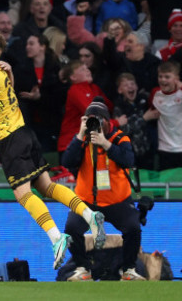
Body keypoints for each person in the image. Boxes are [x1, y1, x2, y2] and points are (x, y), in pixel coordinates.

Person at [0, 30, 107, 270]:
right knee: (47, 186)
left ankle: (56, 237)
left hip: (11, 140)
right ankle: (89, 215)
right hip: (25, 133)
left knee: (23, 195)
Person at [62, 97, 145, 281]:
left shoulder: (119, 138)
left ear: (107, 121)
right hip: (86, 200)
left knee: (133, 228)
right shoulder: (82, 140)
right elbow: (67, 162)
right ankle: (83, 269)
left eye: (99, 120)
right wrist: (80, 134)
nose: (96, 125)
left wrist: (105, 143)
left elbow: (128, 160)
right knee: (71, 228)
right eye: (90, 120)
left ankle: (129, 270)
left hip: (117, 200)